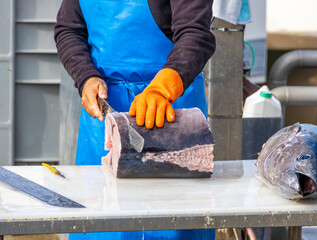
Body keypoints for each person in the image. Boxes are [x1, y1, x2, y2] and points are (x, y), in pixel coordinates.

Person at [54, 0, 216, 239]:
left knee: (172, 221)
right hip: (105, 116)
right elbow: (68, 29)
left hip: (168, 107)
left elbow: (195, 34)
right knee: (100, 223)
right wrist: (86, 76)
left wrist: (161, 90)